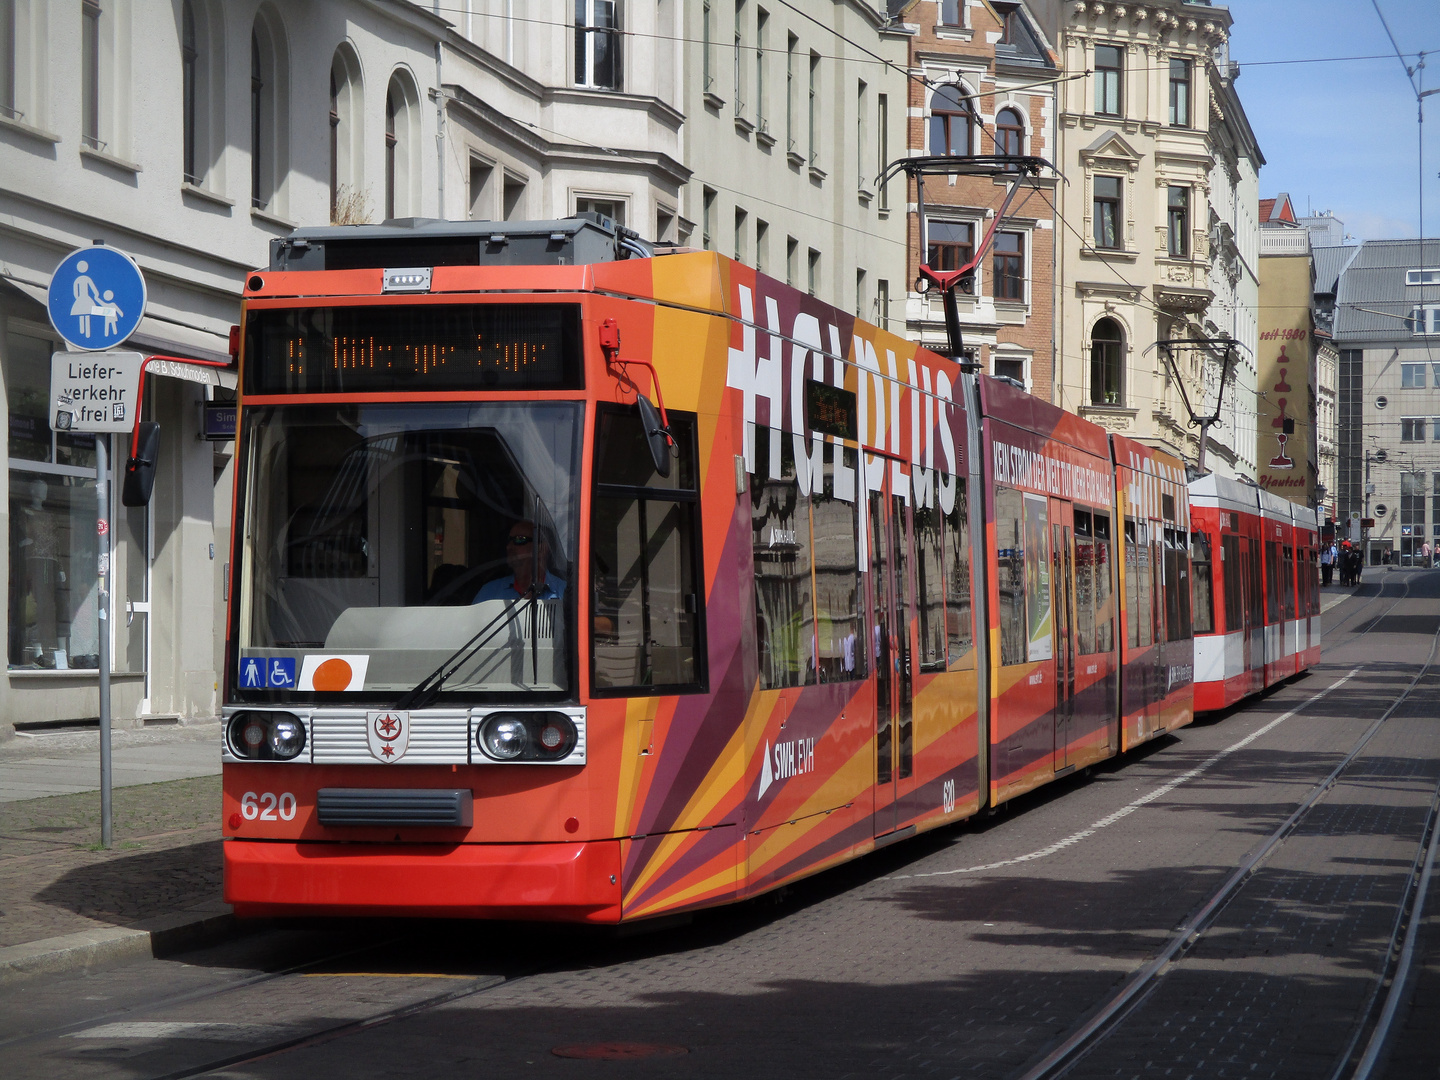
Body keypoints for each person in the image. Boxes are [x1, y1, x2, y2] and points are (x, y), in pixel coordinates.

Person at [474, 519, 566, 602]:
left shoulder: (564, 592)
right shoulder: (489, 592)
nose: (509, 547)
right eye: (508, 541)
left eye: (519, 539)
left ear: (542, 549)